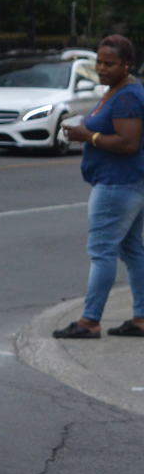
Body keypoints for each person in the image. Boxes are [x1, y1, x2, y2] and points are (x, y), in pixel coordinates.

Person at [54, 34, 144, 338]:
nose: (101, 68)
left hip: (118, 185)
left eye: (110, 63)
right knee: (132, 249)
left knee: (102, 251)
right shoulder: (117, 91)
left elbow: (128, 143)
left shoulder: (128, 96)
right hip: (129, 182)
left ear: (127, 65)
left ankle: (89, 321)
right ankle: (141, 318)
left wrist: (87, 137)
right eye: (99, 61)